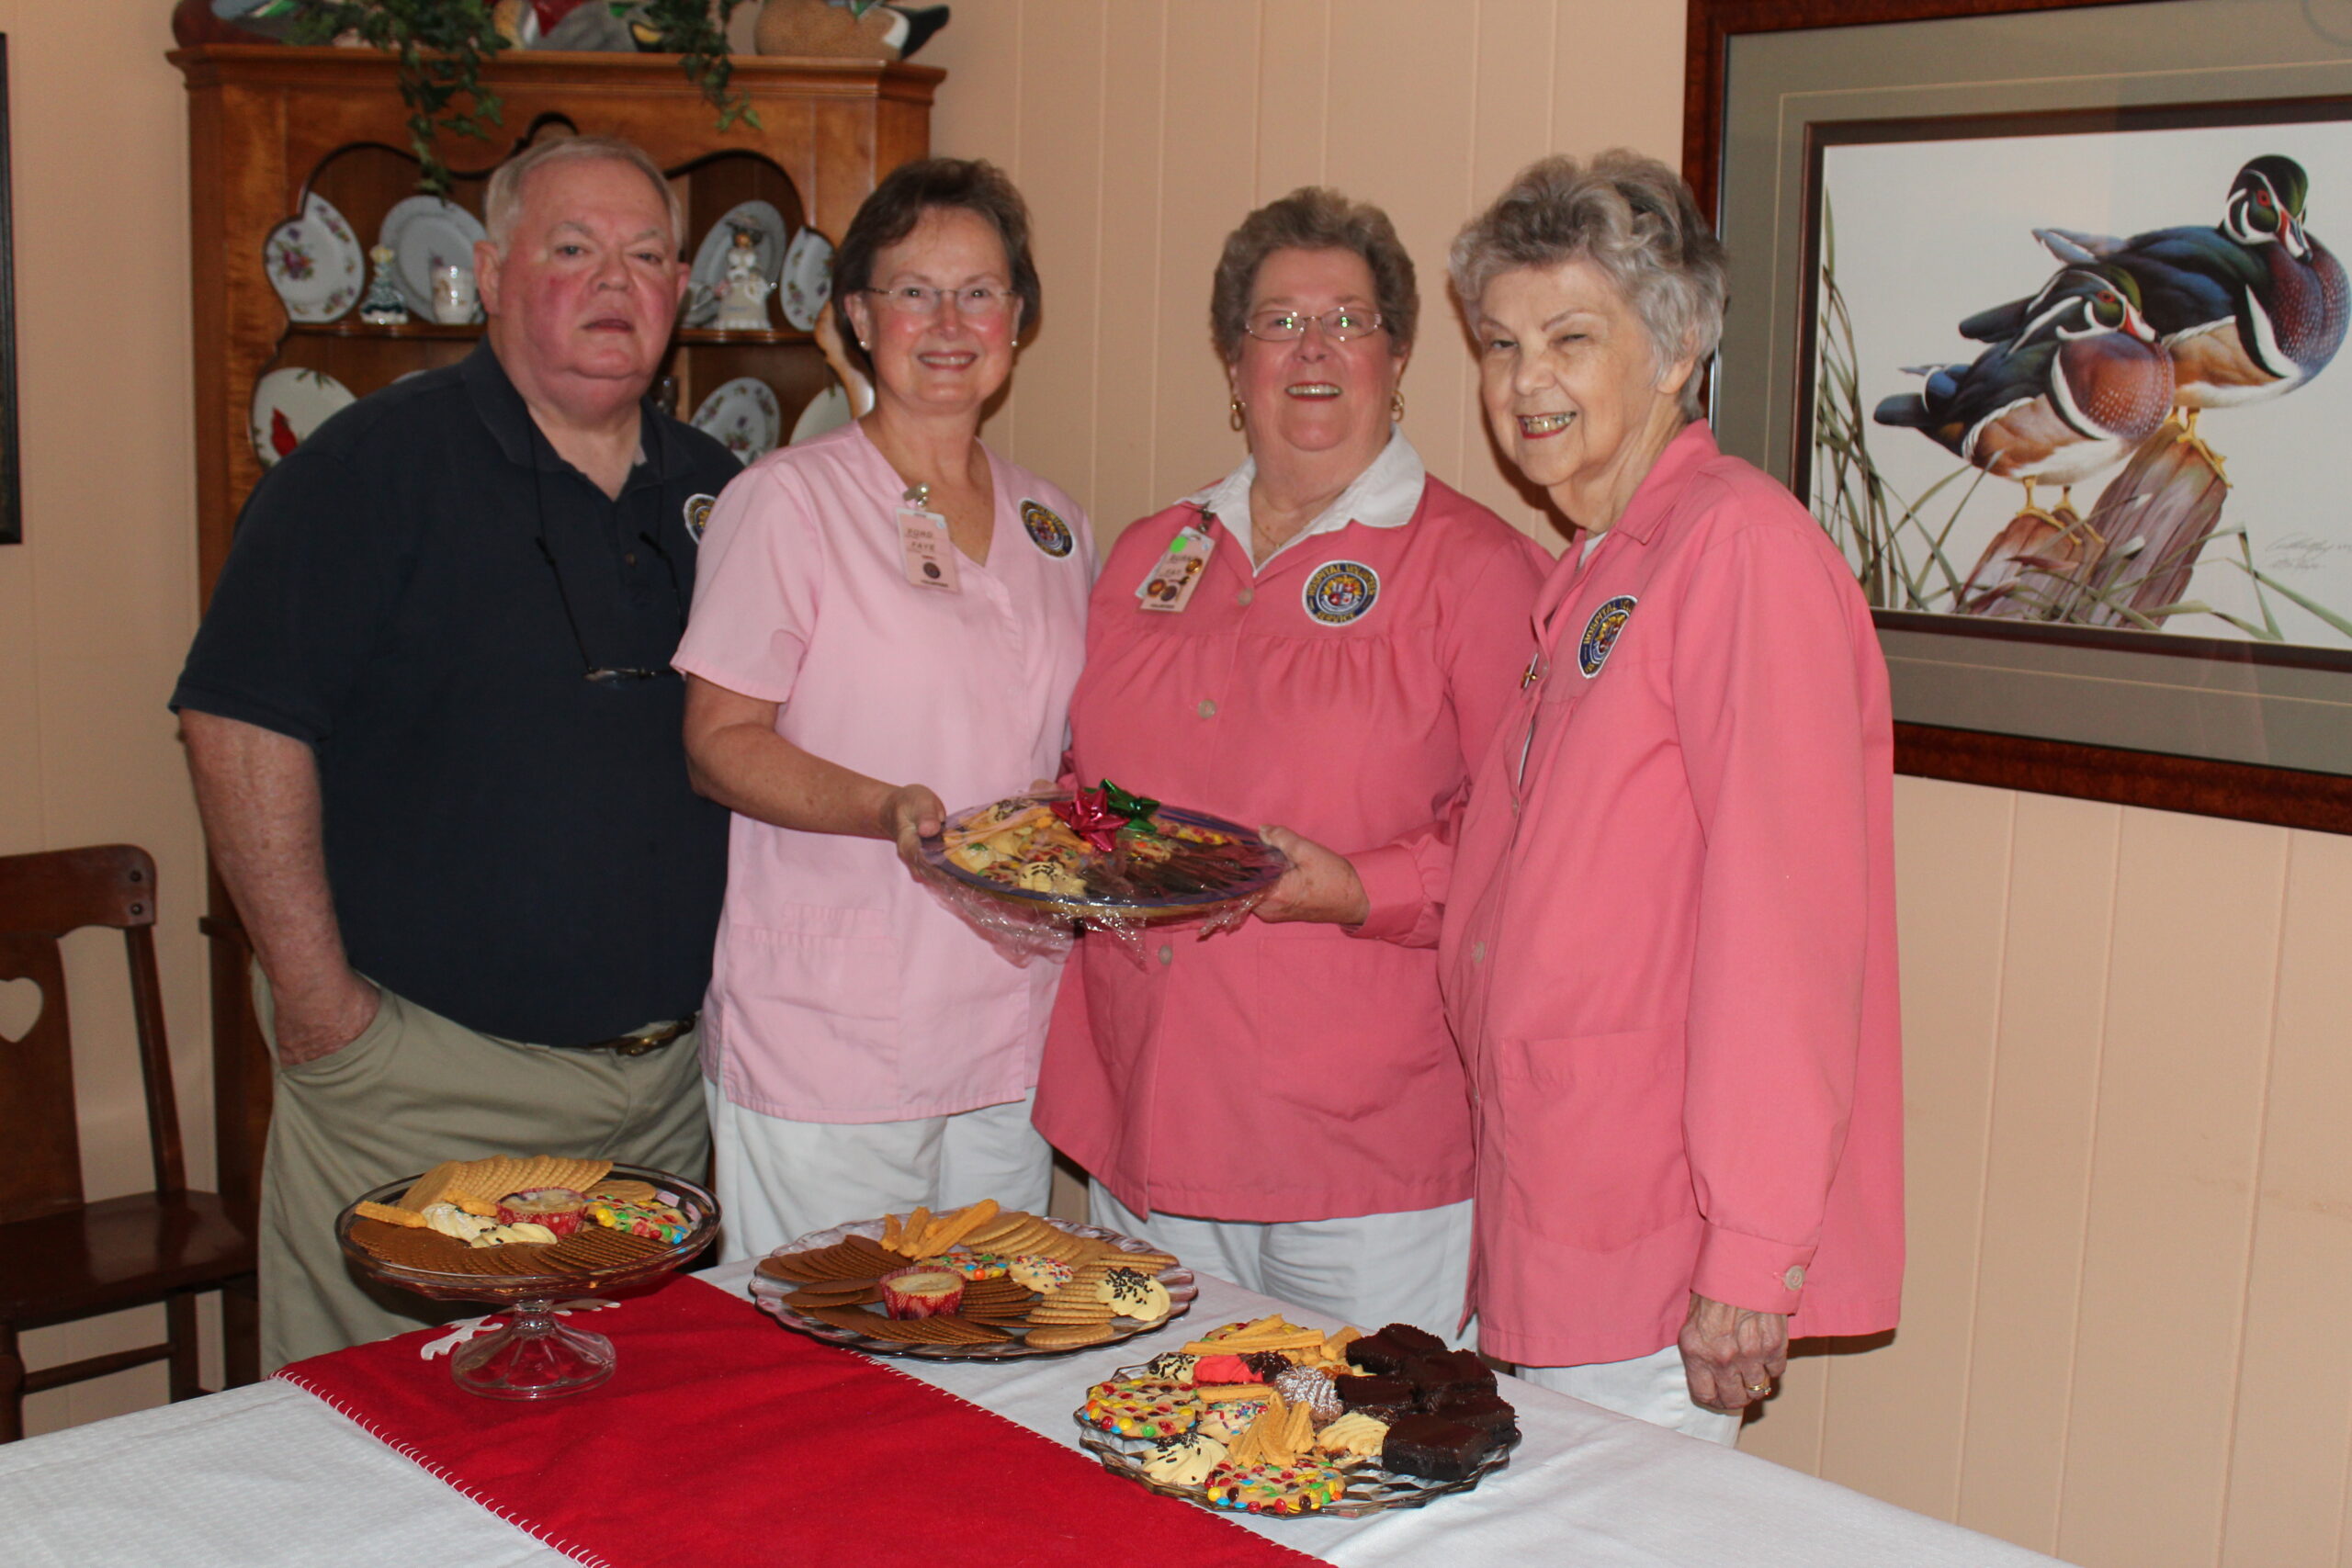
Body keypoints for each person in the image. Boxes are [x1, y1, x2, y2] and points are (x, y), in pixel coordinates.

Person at [1265, 152, 1905, 1442]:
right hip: (1553, 1205)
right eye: (1499, 345)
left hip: (1655, 1235)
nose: (1525, 383)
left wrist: (1754, 1249)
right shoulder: (1600, 565)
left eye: (1570, 338)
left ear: (1673, 355)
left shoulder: (1740, 553)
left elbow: (1790, 933)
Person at [173, 134, 740, 1371]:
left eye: (646, 254)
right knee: (387, 1451)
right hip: (428, 1082)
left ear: (682, 290)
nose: (614, 281)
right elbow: (236, 720)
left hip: (670, 1100)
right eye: (572, 249)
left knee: (614, 1463)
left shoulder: (722, 493)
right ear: (488, 273)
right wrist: (320, 1004)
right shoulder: (367, 472)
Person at [1031, 188, 1550, 1335]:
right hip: (1143, 1114)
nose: (1311, 350)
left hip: (1357, 1151)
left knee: (1348, 1469)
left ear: (1399, 353)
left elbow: (1533, 835)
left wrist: (1363, 887)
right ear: (1232, 360)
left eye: (1348, 320)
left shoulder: (1475, 569)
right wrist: (1057, 835)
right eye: (1276, 323)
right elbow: (1091, 784)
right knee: (1146, 1449)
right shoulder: (1150, 553)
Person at [675, 159, 1094, 1258]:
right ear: (858, 316)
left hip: (1007, 1027)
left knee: (991, 1348)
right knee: (824, 1368)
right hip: (833, 1036)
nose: (949, 323)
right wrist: (886, 808)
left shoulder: (1055, 522)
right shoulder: (786, 503)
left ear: (1019, 317)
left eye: (981, 291)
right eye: (914, 291)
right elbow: (718, 749)